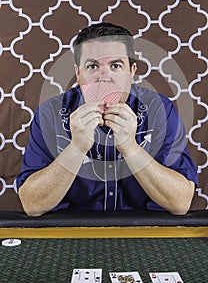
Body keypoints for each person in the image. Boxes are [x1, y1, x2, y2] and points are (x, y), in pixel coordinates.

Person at [16, 22, 198, 216]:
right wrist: (76, 148)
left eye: (116, 66)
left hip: (144, 232)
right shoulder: (50, 114)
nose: (104, 78)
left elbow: (180, 203)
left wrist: (130, 147)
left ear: (132, 72)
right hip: (71, 233)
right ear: (78, 73)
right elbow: (32, 205)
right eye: (92, 66)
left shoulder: (160, 110)